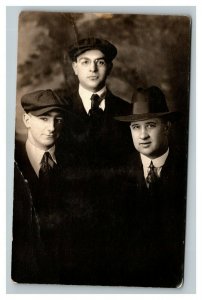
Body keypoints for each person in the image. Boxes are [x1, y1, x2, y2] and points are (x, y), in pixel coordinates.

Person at [113, 86, 188, 287]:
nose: (143, 135)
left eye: (151, 125)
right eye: (136, 127)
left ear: (167, 126)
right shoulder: (116, 177)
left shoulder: (188, 172)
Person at [12, 89, 69, 283]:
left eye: (58, 119)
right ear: (27, 120)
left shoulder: (76, 165)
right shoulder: (10, 163)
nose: (52, 127)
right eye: (44, 118)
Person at [63, 37, 133, 167]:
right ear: (75, 68)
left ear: (109, 67)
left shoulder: (127, 111)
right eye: (85, 62)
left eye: (100, 62)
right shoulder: (61, 109)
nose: (93, 69)